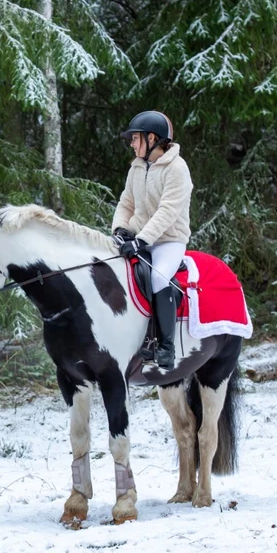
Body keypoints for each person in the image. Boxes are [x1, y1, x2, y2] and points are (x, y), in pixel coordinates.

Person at [112, 110, 193, 371]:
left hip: (169, 241)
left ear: (152, 139)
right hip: (140, 238)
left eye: (135, 138)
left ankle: (166, 345)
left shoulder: (177, 169)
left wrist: (142, 239)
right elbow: (126, 203)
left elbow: (167, 212)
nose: (132, 144)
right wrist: (119, 230)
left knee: (158, 278)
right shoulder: (137, 168)